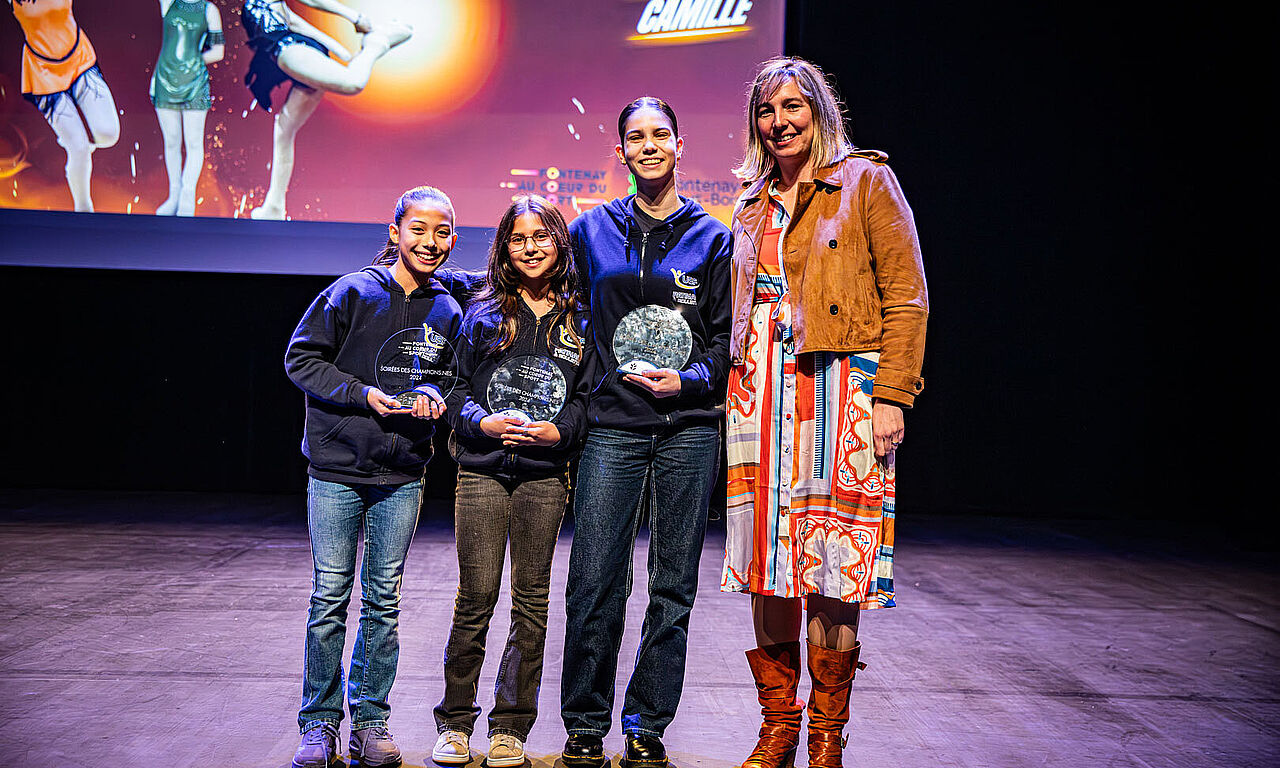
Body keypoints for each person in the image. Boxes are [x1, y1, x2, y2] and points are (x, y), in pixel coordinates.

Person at [720, 57, 929, 768]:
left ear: (819, 111)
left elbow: (907, 297)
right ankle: (778, 729)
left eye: (792, 107)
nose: (779, 123)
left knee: (833, 563)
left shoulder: (865, 180)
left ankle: (826, 739)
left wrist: (893, 395)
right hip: (757, 393)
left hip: (839, 389)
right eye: (766, 110)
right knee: (766, 562)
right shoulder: (750, 200)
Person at [560, 97, 732, 768]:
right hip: (612, 426)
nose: (649, 146)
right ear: (622, 151)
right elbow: (562, 312)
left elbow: (725, 338)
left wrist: (687, 381)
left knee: (672, 583)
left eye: (661, 134)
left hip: (688, 427)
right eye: (636, 137)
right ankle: (584, 723)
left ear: (680, 146)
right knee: (595, 578)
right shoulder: (590, 230)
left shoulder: (713, 238)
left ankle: (646, 724)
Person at [283, 185, 463, 768]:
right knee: (330, 596)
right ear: (394, 232)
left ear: (453, 239)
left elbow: (449, 376)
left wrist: (433, 395)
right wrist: (362, 395)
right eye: (418, 229)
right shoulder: (352, 293)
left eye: (442, 232)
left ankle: (370, 722)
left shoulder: (448, 310)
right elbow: (301, 359)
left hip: (402, 473)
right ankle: (318, 725)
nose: (430, 241)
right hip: (337, 468)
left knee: (383, 601)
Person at [430, 194, 592, 767]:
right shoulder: (481, 311)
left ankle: (510, 728)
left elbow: (588, 397)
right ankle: (455, 724)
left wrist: (559, 432)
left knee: (531, 601)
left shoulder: (581, 316)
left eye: (541, 237)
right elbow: (452, 388)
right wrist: (481, 422)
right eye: (518, 239)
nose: (530, 248)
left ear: (559, 243)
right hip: (481, 471)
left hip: (544, 477)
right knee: (475, 597)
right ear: (504, 248)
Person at [240, 0, 411, 220]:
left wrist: (355, 17)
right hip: (298, 48)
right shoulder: (271, 5)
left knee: (352, 83)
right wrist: (345, 54)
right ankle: (274, 206)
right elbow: (296, 24)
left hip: (290, 49)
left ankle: (376, 44)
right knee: (284, 130)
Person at [8, 0, 119, 212]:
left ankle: (75, 141)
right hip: (43, 71)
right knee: (79, 148)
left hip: (79, 59)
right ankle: (83, 211)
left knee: (108, 134)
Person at [151, 0, 224, 216]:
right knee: (171, 141)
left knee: (193, 143)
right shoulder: (169, 3)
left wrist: (192, 63)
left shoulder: (209, 10)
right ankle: (173, 195)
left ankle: (187, 195)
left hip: (195, 83)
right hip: (165, 80)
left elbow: (218, 52)